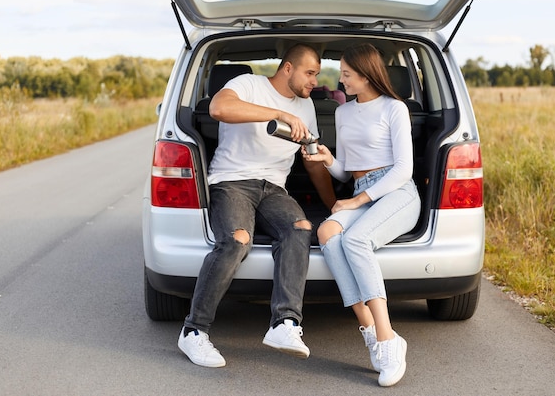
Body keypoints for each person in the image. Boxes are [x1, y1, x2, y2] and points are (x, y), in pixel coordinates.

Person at [178, 44, 336, 368]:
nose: (314, 82)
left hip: (274, 188)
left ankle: (285, 324)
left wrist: (334, 204)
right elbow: (219, 108)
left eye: (317, 75)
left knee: (301, 228)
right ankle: (194, 331)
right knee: (237, 240)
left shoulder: (306, 107)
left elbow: (312, 163)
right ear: (288, 69)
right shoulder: (248, 85)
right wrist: (278, 113)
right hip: (231, 182)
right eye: (309, 73)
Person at [302, 43, 421, 387]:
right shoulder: (343, 113)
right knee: (327, 233)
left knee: (354, 239)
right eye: (341, 73)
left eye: (347, 74)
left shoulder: (394, 108)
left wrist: (356, 202)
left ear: (367, 75)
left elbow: (402, 169)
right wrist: (327, 159)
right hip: (361, 191)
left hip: (396, 193)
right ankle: (370, 328)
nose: (340, 81)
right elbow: (346, 172)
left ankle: (387, 340)